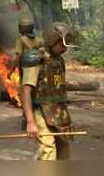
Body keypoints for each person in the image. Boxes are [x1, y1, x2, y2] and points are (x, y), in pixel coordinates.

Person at [21, 22, 75, 160]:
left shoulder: (59, 60)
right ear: (52, 40)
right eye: (62, 45)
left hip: (59, 112)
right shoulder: (36, 59)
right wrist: (30, 121)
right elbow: (26, 90)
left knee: (64, 151)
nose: (65, 49)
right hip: (40, 112)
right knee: (48, 149)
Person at [10, 11, 43, 129]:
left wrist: (10, 70)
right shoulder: (38, 39)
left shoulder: (21, 40)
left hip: (26, 69)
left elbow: (17, 56)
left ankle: (28, 119)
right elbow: (43, 50)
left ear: (21, 28)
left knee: (25, 92)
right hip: (38, 69)